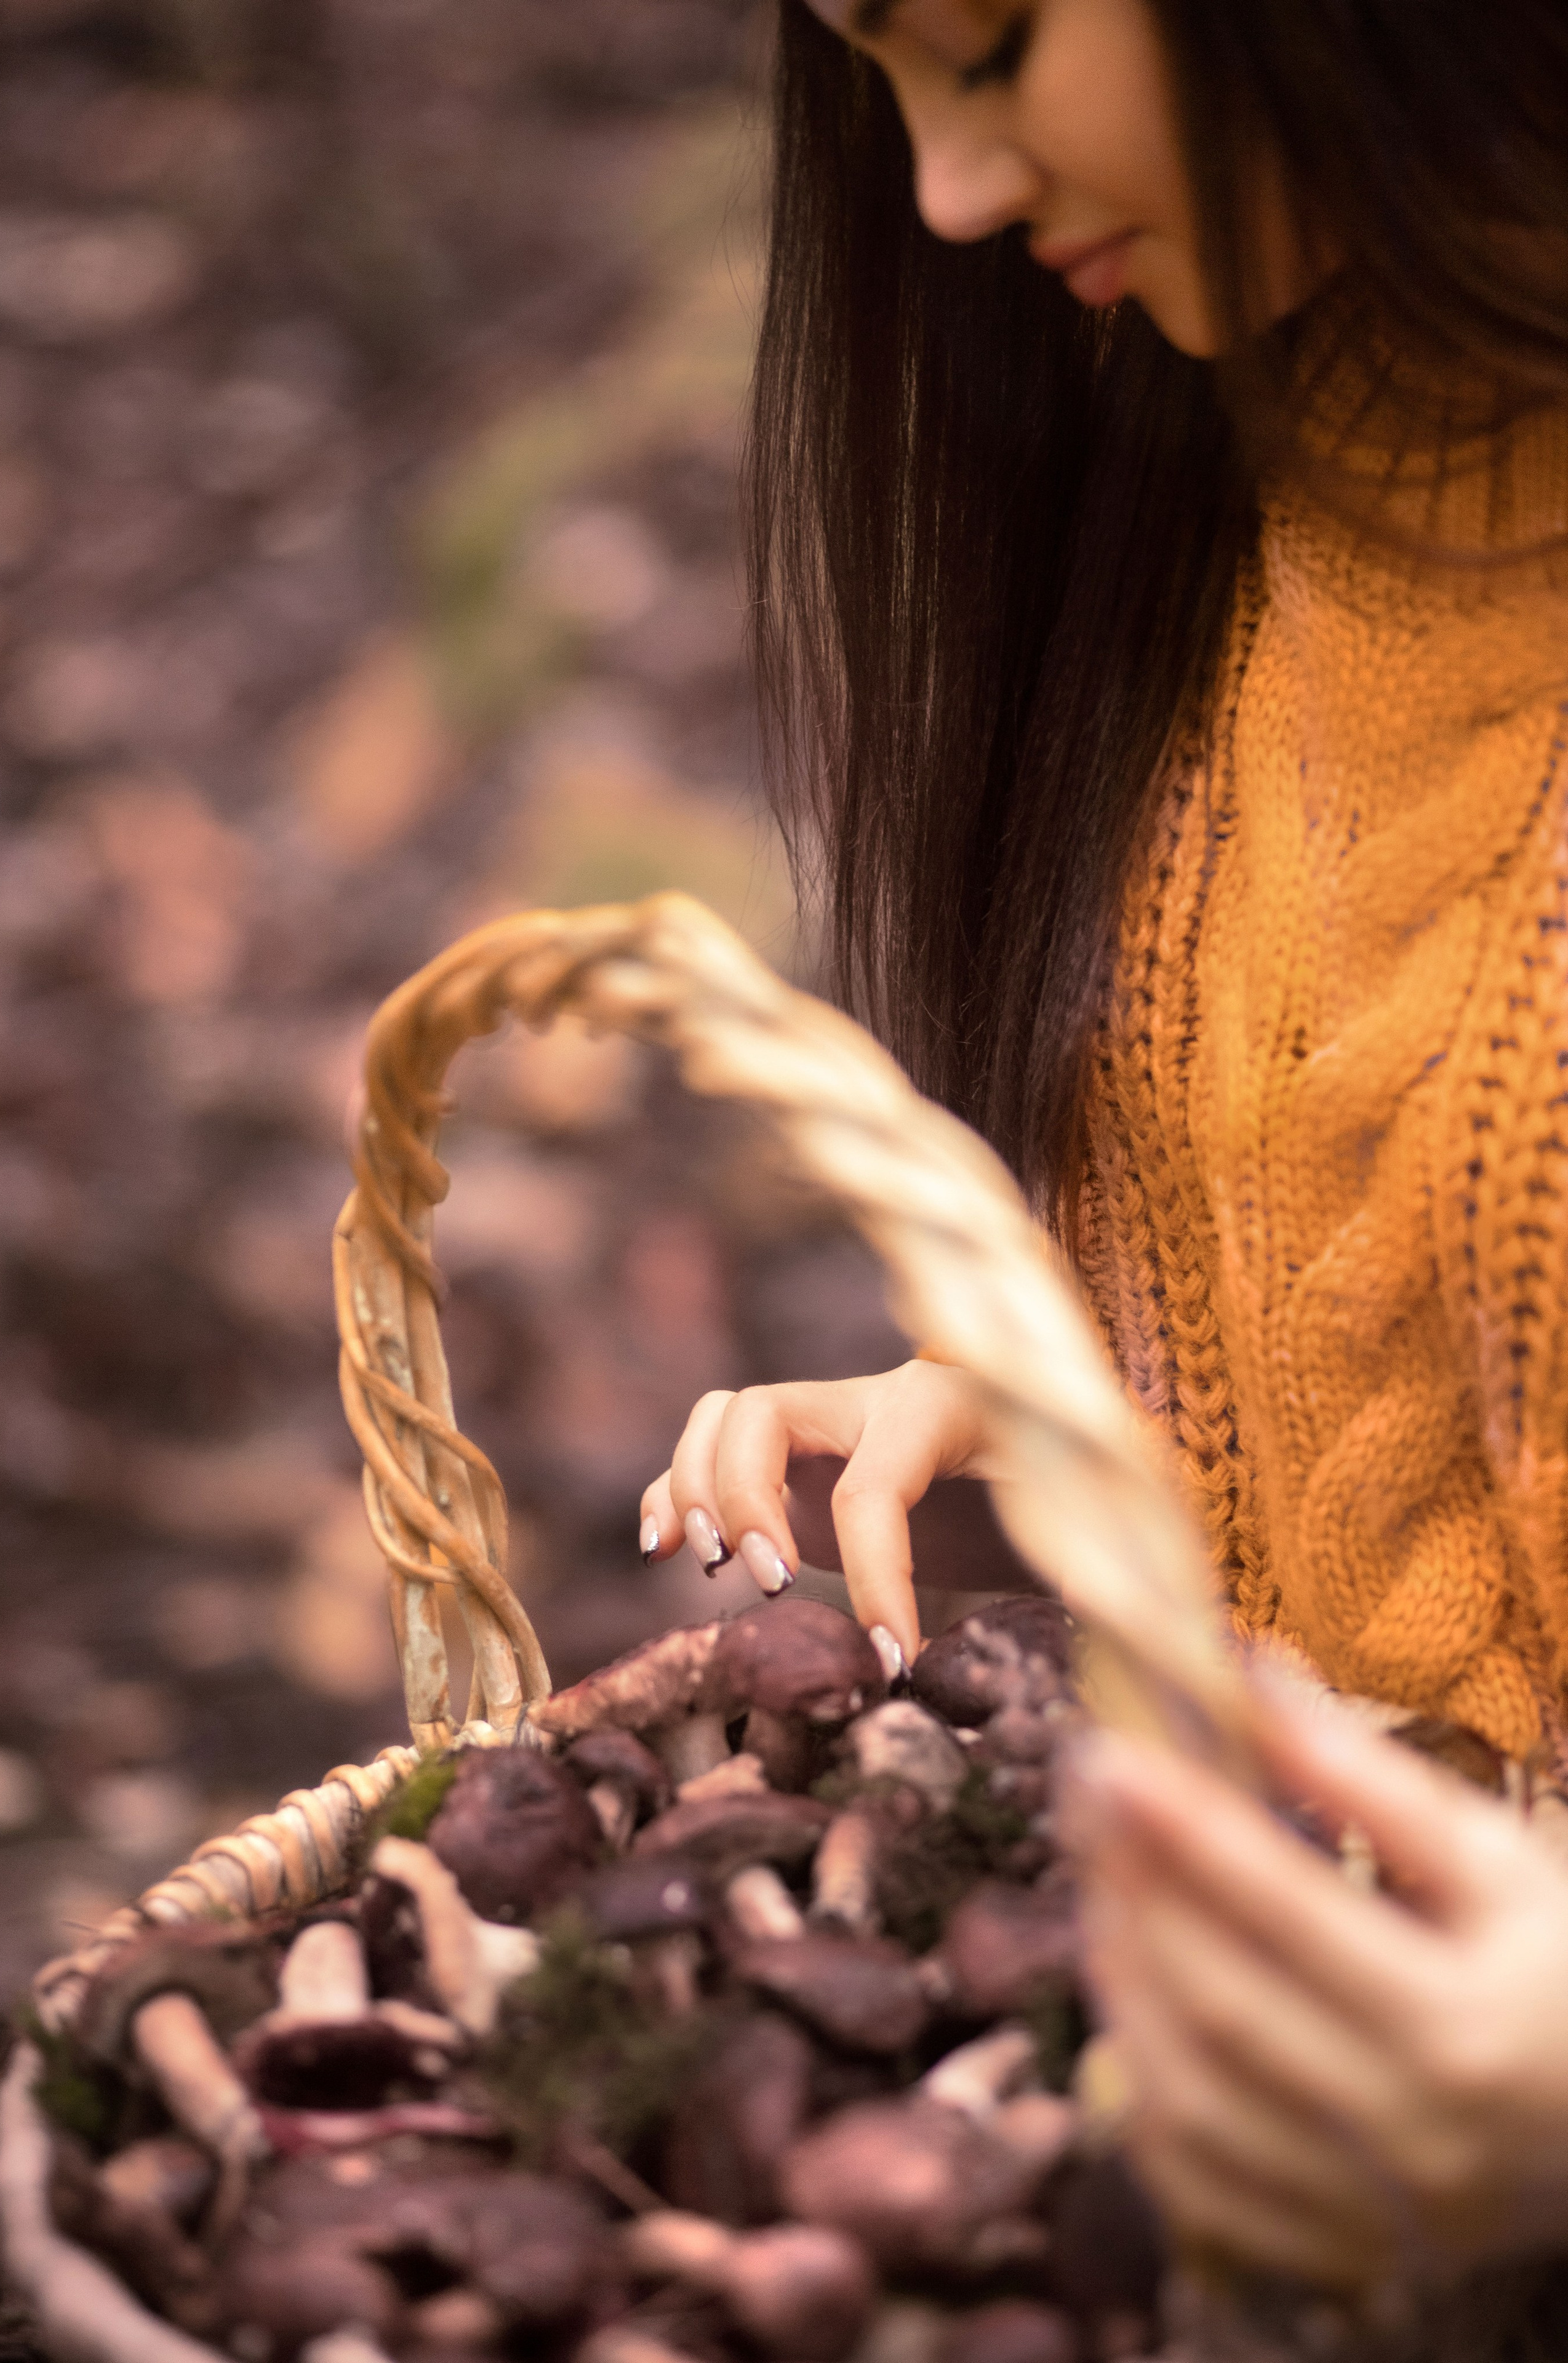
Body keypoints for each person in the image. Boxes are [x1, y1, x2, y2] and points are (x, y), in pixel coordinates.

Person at [639, 0, 1568, 2294]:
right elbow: (1372, 1209)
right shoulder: (1223, 443)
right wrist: (1070, 1388)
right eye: (876, 78)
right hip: (1263, 2118)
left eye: (989, 44)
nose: (944, 192)